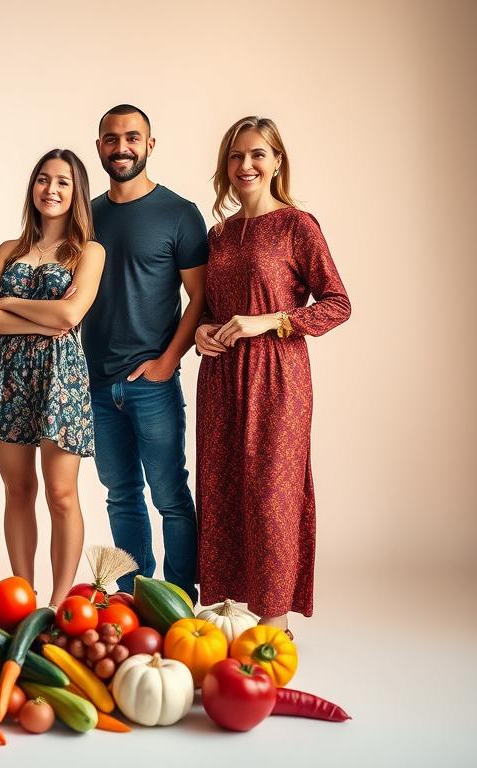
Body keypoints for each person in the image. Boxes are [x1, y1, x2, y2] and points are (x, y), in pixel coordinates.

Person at [195, 116, 351, 636]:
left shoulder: (297, 226)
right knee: (221, 487)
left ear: (277, 161)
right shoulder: (217, 235)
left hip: (278, 376)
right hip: (220, 378)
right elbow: (206, 308)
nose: (246, 165)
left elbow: (337, 303)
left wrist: (274, 319)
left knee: (271, 494)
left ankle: (274, 623)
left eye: (257, 154)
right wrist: (202, 333)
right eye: (236, 156)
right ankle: (228, 616)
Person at [0, 149, 104, 607]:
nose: (51, 189)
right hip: (8, 375)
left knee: (62, 494)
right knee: (18, 489)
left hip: (60, 377)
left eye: (63, 182)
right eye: (43, 180)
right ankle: (22, 597)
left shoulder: (89, 252)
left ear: (76, 192)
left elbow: (69, 313)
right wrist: (38, 319)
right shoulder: (8, 250)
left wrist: (6, 302)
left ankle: (61, 603)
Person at [81, 105, 207, 600]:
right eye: (111, 139)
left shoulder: (179, 213)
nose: (121, 147)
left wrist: (168, 361)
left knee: (171, 495)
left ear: (150, 145)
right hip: (94, 382)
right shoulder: (86, 213)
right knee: (121, 496)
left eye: (132, 138)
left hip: (152, 381)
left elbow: (200, 297)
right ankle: (137, 595)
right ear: (99, 148)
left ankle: (178, 598)